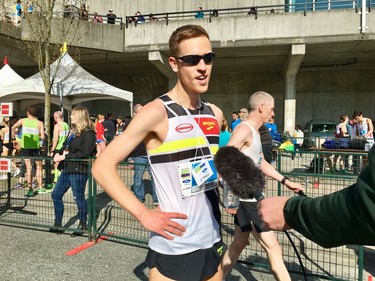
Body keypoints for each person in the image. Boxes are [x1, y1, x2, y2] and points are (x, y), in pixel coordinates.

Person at [93, 24, 225, 281]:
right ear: (174, 64)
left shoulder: (214, 113)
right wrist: (143, 214)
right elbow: (102, 166)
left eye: (208, 58)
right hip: (174, 244)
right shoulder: (156, 112)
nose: (202, 67)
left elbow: (206, 168)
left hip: (212, 238)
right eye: (192, 60)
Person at [221, 91, 303, 281]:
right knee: (274, 248)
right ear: (261, 107)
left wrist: (286, 181)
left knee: (238, 244)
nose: (273, 114)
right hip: (248, 199)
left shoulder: (255, 132)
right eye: (272, 109)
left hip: (249, 197)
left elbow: (261, 162)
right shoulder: (244, 130)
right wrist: (230, 198)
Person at [258, 145, 375, 248]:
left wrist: (293, 210)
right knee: (249, 245)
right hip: (245, 197)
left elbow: (367, 203)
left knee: (272, 248)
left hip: (256, 198)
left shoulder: (252, 132)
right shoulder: (244, 130)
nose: (271, 118)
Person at [49, 107, 96, 236]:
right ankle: (58, 223)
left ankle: (83, 224)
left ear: (80, 117)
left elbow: (85, 153)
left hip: (79, 171)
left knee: (78, 198)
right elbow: (63, 147)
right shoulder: (73, 132)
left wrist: (64, 156)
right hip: (67, 169)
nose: (70, 117)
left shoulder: (89, 133)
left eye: (73, 115)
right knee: (56, 194)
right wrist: (55, 154)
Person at [126, 104, 158, 205]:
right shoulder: (129, 123)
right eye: (140, 112)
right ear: (134, 113)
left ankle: (157, 198)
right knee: (138, 177)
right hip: (137, 155)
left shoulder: (148, 121)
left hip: (150, 154)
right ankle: (139, 197)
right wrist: (129, 158)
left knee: (155, 177)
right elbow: (126, 141)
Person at [11, 106, 44, 196]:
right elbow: (43, 137)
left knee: (28, 167)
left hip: (25, 147)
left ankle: (30, 189)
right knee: (38, 167)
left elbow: (13, 127)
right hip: (36, 147)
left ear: (27, 113)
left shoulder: (23, 121)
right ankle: (40, 187)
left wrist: (14, 140)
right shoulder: (40, 123)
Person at [50, 111, 70, 186]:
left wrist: (52, 149)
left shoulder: (57, 126)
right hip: (65, 147)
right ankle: (61, 178)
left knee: (56, 163)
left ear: (55, 117)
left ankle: (56, 179)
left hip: (58, 147)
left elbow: (55, 139)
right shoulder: (66, 125)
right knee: (63, 164)